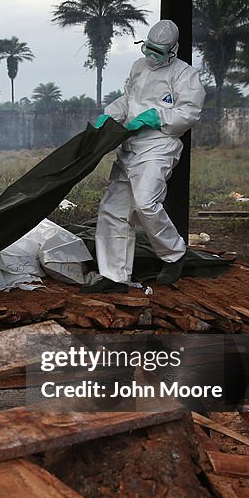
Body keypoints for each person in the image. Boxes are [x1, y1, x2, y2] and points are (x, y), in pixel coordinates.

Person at [85, 19, 206, 294]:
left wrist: (157, 116)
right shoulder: (138, 67)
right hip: (129, 146)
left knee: (146, 204)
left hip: (158, 146)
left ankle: (174, 254)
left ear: (172, 50)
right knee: (113, 209)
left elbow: (189, 113)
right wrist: (110, 115)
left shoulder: (185, 75)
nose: (152, 56)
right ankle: (114, 276)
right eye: (148, 49)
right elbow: (127, 100)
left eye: (158, 52)